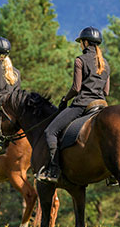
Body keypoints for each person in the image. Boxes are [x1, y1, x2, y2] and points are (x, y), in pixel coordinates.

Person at [39, 26, 110, 183]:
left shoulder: (80, 60)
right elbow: (106, 91)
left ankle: (54, 169)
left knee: (50, 131)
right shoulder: (105, 63)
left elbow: (76, 88)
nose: (80, 45)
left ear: (85, 43)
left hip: (83, 104)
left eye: (81, 42)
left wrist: (65, 99)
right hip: (101, 104)